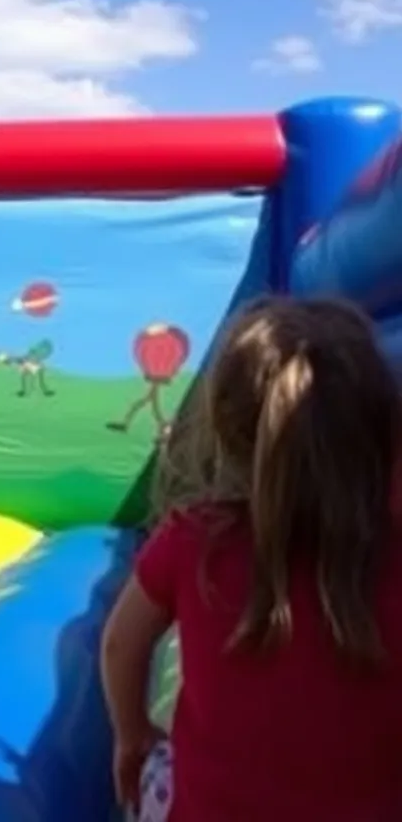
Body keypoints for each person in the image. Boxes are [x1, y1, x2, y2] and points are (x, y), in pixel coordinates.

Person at [101, 295, 402, 821]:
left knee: (154, 774)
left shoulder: (192, 540)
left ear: (229, 435)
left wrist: (131, 734)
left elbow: (119, 645)